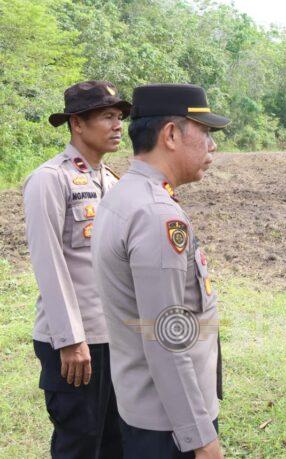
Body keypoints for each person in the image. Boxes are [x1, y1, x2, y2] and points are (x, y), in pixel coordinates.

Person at [92, 83, 230, 458]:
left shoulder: (124, 195)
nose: (212, 146)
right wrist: (200, 438)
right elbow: (166, 339)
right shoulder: (156, 214)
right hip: (169, 425)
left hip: (149, 409)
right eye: (205, 133)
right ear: (171, 134)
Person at [22, 80, 131, 458]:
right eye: (106, 116)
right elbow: (48, 261)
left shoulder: (114, 181)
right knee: (80, 441)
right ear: (77, 124)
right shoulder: (50, 179)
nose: (117, 125)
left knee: (115, 439)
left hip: (113, 336)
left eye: (119, 117)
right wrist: (70, 339)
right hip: (73, 341)